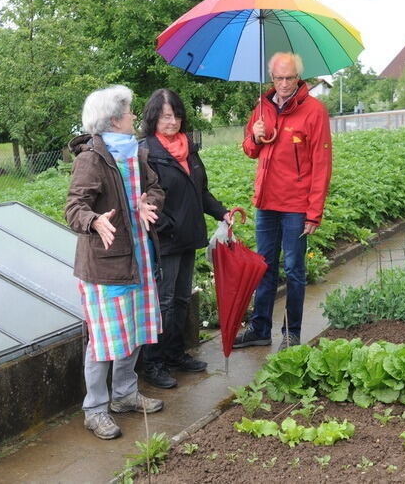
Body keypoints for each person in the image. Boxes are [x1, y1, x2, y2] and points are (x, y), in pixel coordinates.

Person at [65, 85, 165, 440]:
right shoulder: (91, 158)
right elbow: (74, 207)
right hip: (106, 265)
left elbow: (155, 187)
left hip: (137, 256)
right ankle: (95, 409)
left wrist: (146, 201)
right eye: (129, 112)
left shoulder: (136, 152)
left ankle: (124, 395)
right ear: (113, 120)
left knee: (134, 331)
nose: (134, 117)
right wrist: (95, 220)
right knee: (105, 340)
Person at [233, 52, 332, 352]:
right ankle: (259, 329)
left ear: (298, 77)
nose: (284, 83)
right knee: (263, 267)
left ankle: (292, 331)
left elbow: (321, 163)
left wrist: (314, 213)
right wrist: (254, 135)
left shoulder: (314, 111)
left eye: (290, 78)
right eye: (279, 78)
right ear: (271, 78)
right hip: (266, 203)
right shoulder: (262, 108)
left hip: (296, 206)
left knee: (293, 269)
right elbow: (250, 150)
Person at [139, 89, 232, 389]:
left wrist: (221, 213)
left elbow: (200, 191)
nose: (172, 121)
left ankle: (175, 354)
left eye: (176, 115)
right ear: (154, 117)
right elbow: (144, 199)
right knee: (162, 302)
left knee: (180, 300)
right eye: (166, 116)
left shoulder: (188, 149)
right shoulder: (146, 152)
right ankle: (153, 363)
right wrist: (168, 226)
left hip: (189, 237)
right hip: (164, 240)